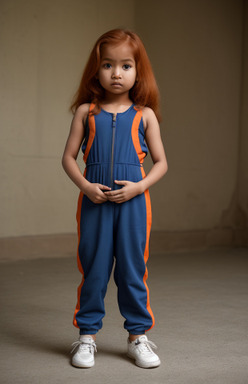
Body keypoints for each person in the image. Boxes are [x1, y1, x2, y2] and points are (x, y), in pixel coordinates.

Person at [62, 28, 168, 369]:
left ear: (138, 71)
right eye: (108, 65)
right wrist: (86, 187)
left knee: (132, 270)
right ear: (97, 69)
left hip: (134, 205)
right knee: (93, 268)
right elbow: (68, 158)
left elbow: (161, 163)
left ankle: (138, 337)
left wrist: (139, 187)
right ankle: (86, 337)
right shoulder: (86, 112)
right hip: (94, 203)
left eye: (125, 65)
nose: (117, 73)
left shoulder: (144, 115)